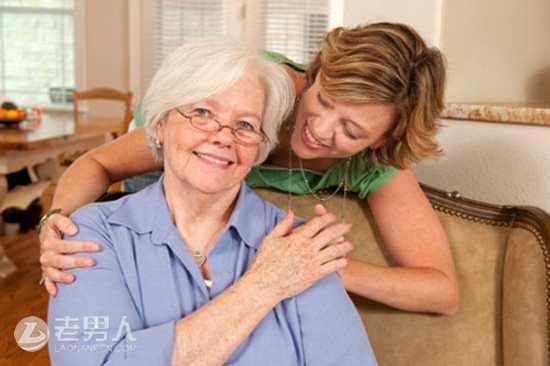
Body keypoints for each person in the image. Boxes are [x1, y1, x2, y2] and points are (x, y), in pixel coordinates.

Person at [40, 22, 459, 315]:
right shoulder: (249, 96)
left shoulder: (377, 163)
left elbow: (441, 291)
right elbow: (97, 161)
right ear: (317, 72)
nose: (319, 129)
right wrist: (55, 222)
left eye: (350, 130)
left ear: (381, 140)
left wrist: (318, 263)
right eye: (325, 100)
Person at [48, 37, 376, 365]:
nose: (222, 136)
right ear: (160, 124)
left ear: (259, 147)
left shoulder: (300, 249)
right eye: (202, 112)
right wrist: (265, 285)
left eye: (245, 125)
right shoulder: (92, 234)